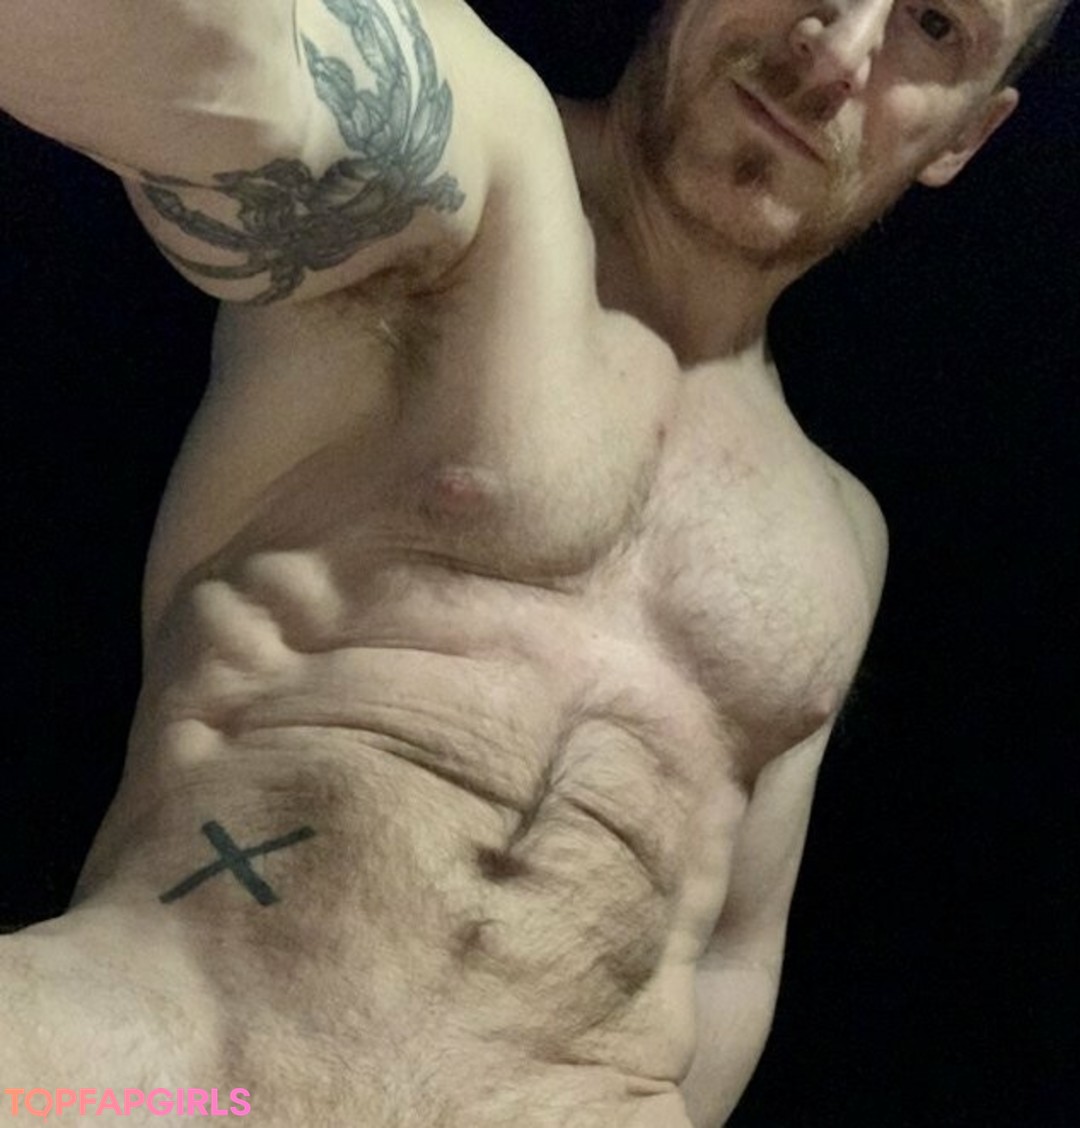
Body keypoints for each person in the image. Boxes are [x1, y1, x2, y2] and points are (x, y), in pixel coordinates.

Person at [0, 0, 1066, 1124]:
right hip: (171, 1072)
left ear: (964, 135)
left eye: (934, 25)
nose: (839, 48)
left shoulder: (841, 535)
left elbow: (726, 964)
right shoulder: (477, 167)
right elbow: (222, 54)